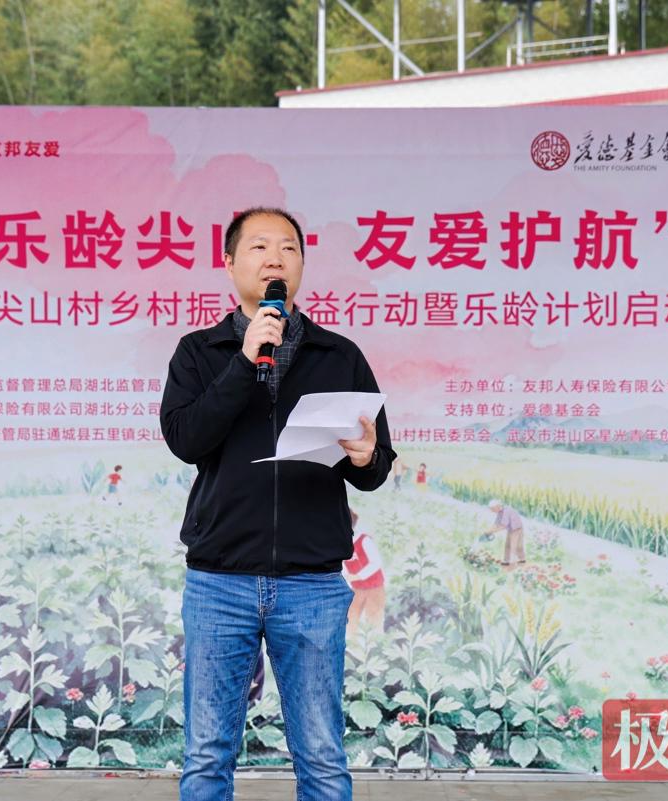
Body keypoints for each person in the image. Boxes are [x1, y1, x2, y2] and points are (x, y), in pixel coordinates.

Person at [160, 207, 395, 801]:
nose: (275, 260)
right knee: (208, 754)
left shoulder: (338, 355)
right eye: (260, 247)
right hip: (220, 581)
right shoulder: (199, 352)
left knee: (321, 753)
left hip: (311, 582)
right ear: (230, 263)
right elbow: (185, 440)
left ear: (301, 265)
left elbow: (376, 467)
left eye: (289, 248)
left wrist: (366, 455)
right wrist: (244, 362)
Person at [342, 508, 386, 636]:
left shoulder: (364, 540)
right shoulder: (341, 545)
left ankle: (376, 642)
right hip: (356, 589)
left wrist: (358, 576)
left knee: (374, 619)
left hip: (374, 587)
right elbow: (342, 566)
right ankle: (352, 642)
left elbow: (376, 562)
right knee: (351, 618)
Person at [485, 499, 526, 568]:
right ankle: (507, 561)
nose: (492, 511)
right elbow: (496, 524)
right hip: (511, 529)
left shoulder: (506, 511)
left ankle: (514, 562)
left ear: (497, 506)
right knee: (507, 545)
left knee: (514, 545)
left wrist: (492, 531)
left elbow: (503, 525)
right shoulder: (500, 512)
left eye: (492, 509)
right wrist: (488, 531)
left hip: (517, 528)